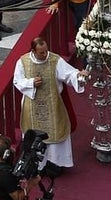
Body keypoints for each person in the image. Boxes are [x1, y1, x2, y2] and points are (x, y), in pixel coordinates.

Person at [12, 37, 89, 169]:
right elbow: (17, 81)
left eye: (46, 51)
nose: (45, 54)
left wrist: (78, 75)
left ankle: (55, 165)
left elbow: (69, 74)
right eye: (41, 52)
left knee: (55, 135)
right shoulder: (23, 62)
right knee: (34, 135)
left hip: (52, 105)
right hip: (32, 107)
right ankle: (35, 166)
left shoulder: (54, 60)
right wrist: (30, 83)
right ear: (33, 51)